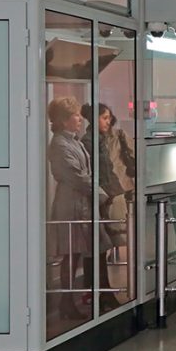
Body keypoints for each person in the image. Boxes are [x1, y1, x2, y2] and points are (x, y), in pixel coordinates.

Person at [47, 97, 110, 320]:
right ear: (64, 120)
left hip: (82, 203)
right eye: (75, 115)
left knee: (79, 252)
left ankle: (76, 299)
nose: (80, 119)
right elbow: (76, 176)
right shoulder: (60, 145)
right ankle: (67, 301)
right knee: (71, 253)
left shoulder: (73, 142)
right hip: (71, 205)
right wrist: (101, 194)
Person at [82, 103, 136, 312]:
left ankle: (102, 290)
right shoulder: (89, 141)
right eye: (104, 117)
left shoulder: (106, 138)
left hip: (110, 195)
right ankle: (98, 290)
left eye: (108, 117)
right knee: (99, 246)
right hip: (101, 197)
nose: (108, 121)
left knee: (105, 245)